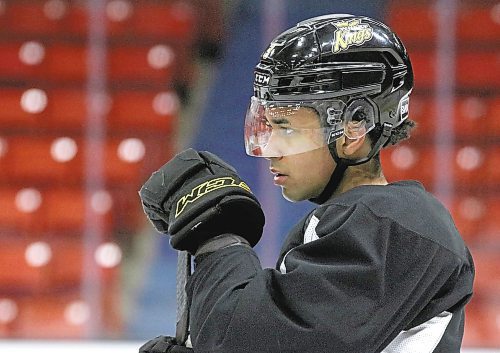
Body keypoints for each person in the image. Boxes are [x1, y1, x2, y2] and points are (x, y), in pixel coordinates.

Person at [138, 14, 474, 353]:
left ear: (355, 125)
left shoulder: (394, 224)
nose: (270, 150)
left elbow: (252, 345)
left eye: (286, 128)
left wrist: (218, 240)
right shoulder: (357, 225)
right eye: (266, 126)